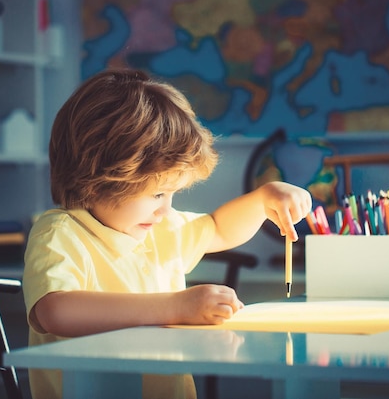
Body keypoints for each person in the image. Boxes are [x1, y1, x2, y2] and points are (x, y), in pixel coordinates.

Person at [22, 68, 312, 399]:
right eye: (157, 194)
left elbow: (219, 229)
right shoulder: (61, 232)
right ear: (99, 180)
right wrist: (175, 307)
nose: (166, 209)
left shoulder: (159, 228)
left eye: (173, 193)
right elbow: (56, 312)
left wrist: (263, 199)